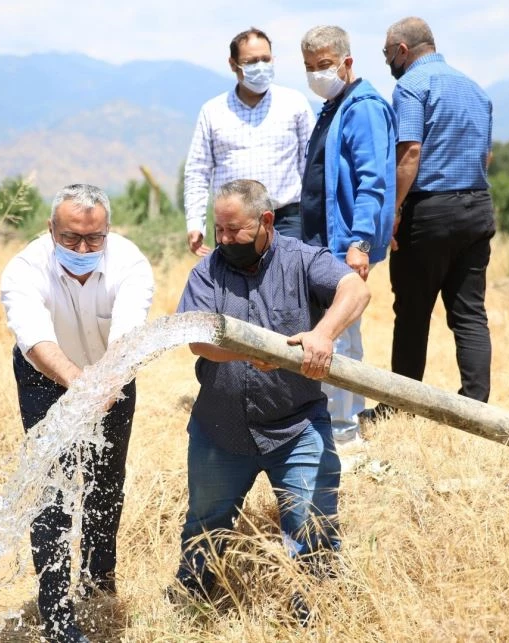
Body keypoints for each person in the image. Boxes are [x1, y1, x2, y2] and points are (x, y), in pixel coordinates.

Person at [173, 179, 370, 606]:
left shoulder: (303, 260)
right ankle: (191, 607)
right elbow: (197, 338)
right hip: (219, 429)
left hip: (296, 426)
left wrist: (323, 334)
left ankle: (315, 614)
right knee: (205, 529)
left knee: (312, 527)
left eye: (234, 231)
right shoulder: (207, 270)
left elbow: (355, 290)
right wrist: (254, 352)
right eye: (218, 229)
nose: (223, 240)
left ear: (266, 221)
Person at [0, 184, 154, 643]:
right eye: (71, 239)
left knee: (107, 481)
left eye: (94, 238)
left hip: (113, 374)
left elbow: (128, 334)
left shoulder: (130, 264)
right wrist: (81, 383)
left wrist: (105, 382)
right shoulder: (25, 269)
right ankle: (57, 615)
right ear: (51, 230)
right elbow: (34, 339)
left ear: (108, 230)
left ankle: (97, 585)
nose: (84, 249)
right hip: (45, 377)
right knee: (52, 490)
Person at [365, 17, 495, 421]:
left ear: (403, 50)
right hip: (477, 206)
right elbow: (485, 156)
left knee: (413, 311)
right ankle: (476, 412)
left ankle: (401, 406)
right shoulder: (475, 89)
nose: (387, 61)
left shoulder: (410, 87)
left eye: (387, 54)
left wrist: (394, 211)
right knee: (469, 312)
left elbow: (410, 154)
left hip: (429, 211)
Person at [299, 25, 396, 444]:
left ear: (347, 62)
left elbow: (373, 181)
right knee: (329, 332)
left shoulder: (364, 108)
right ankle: (332, 424)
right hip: (323, 243)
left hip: (345, 245)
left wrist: (360, 242)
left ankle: (344, 432)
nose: (317, 74)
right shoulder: (333, 106)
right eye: (309, 67)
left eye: (324, 65)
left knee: (342, 336)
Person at [183, 27, 315, 256]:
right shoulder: (213, 111)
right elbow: (198, 171)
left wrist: (316, 218)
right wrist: (195, 222)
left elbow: (311, 165)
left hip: (286, 220)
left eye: (266, 59)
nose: (261, 66)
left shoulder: (294, 104)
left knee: (289, 287)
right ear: (233, 64)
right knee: (234, 288)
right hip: (232, 225)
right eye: (252, 61)